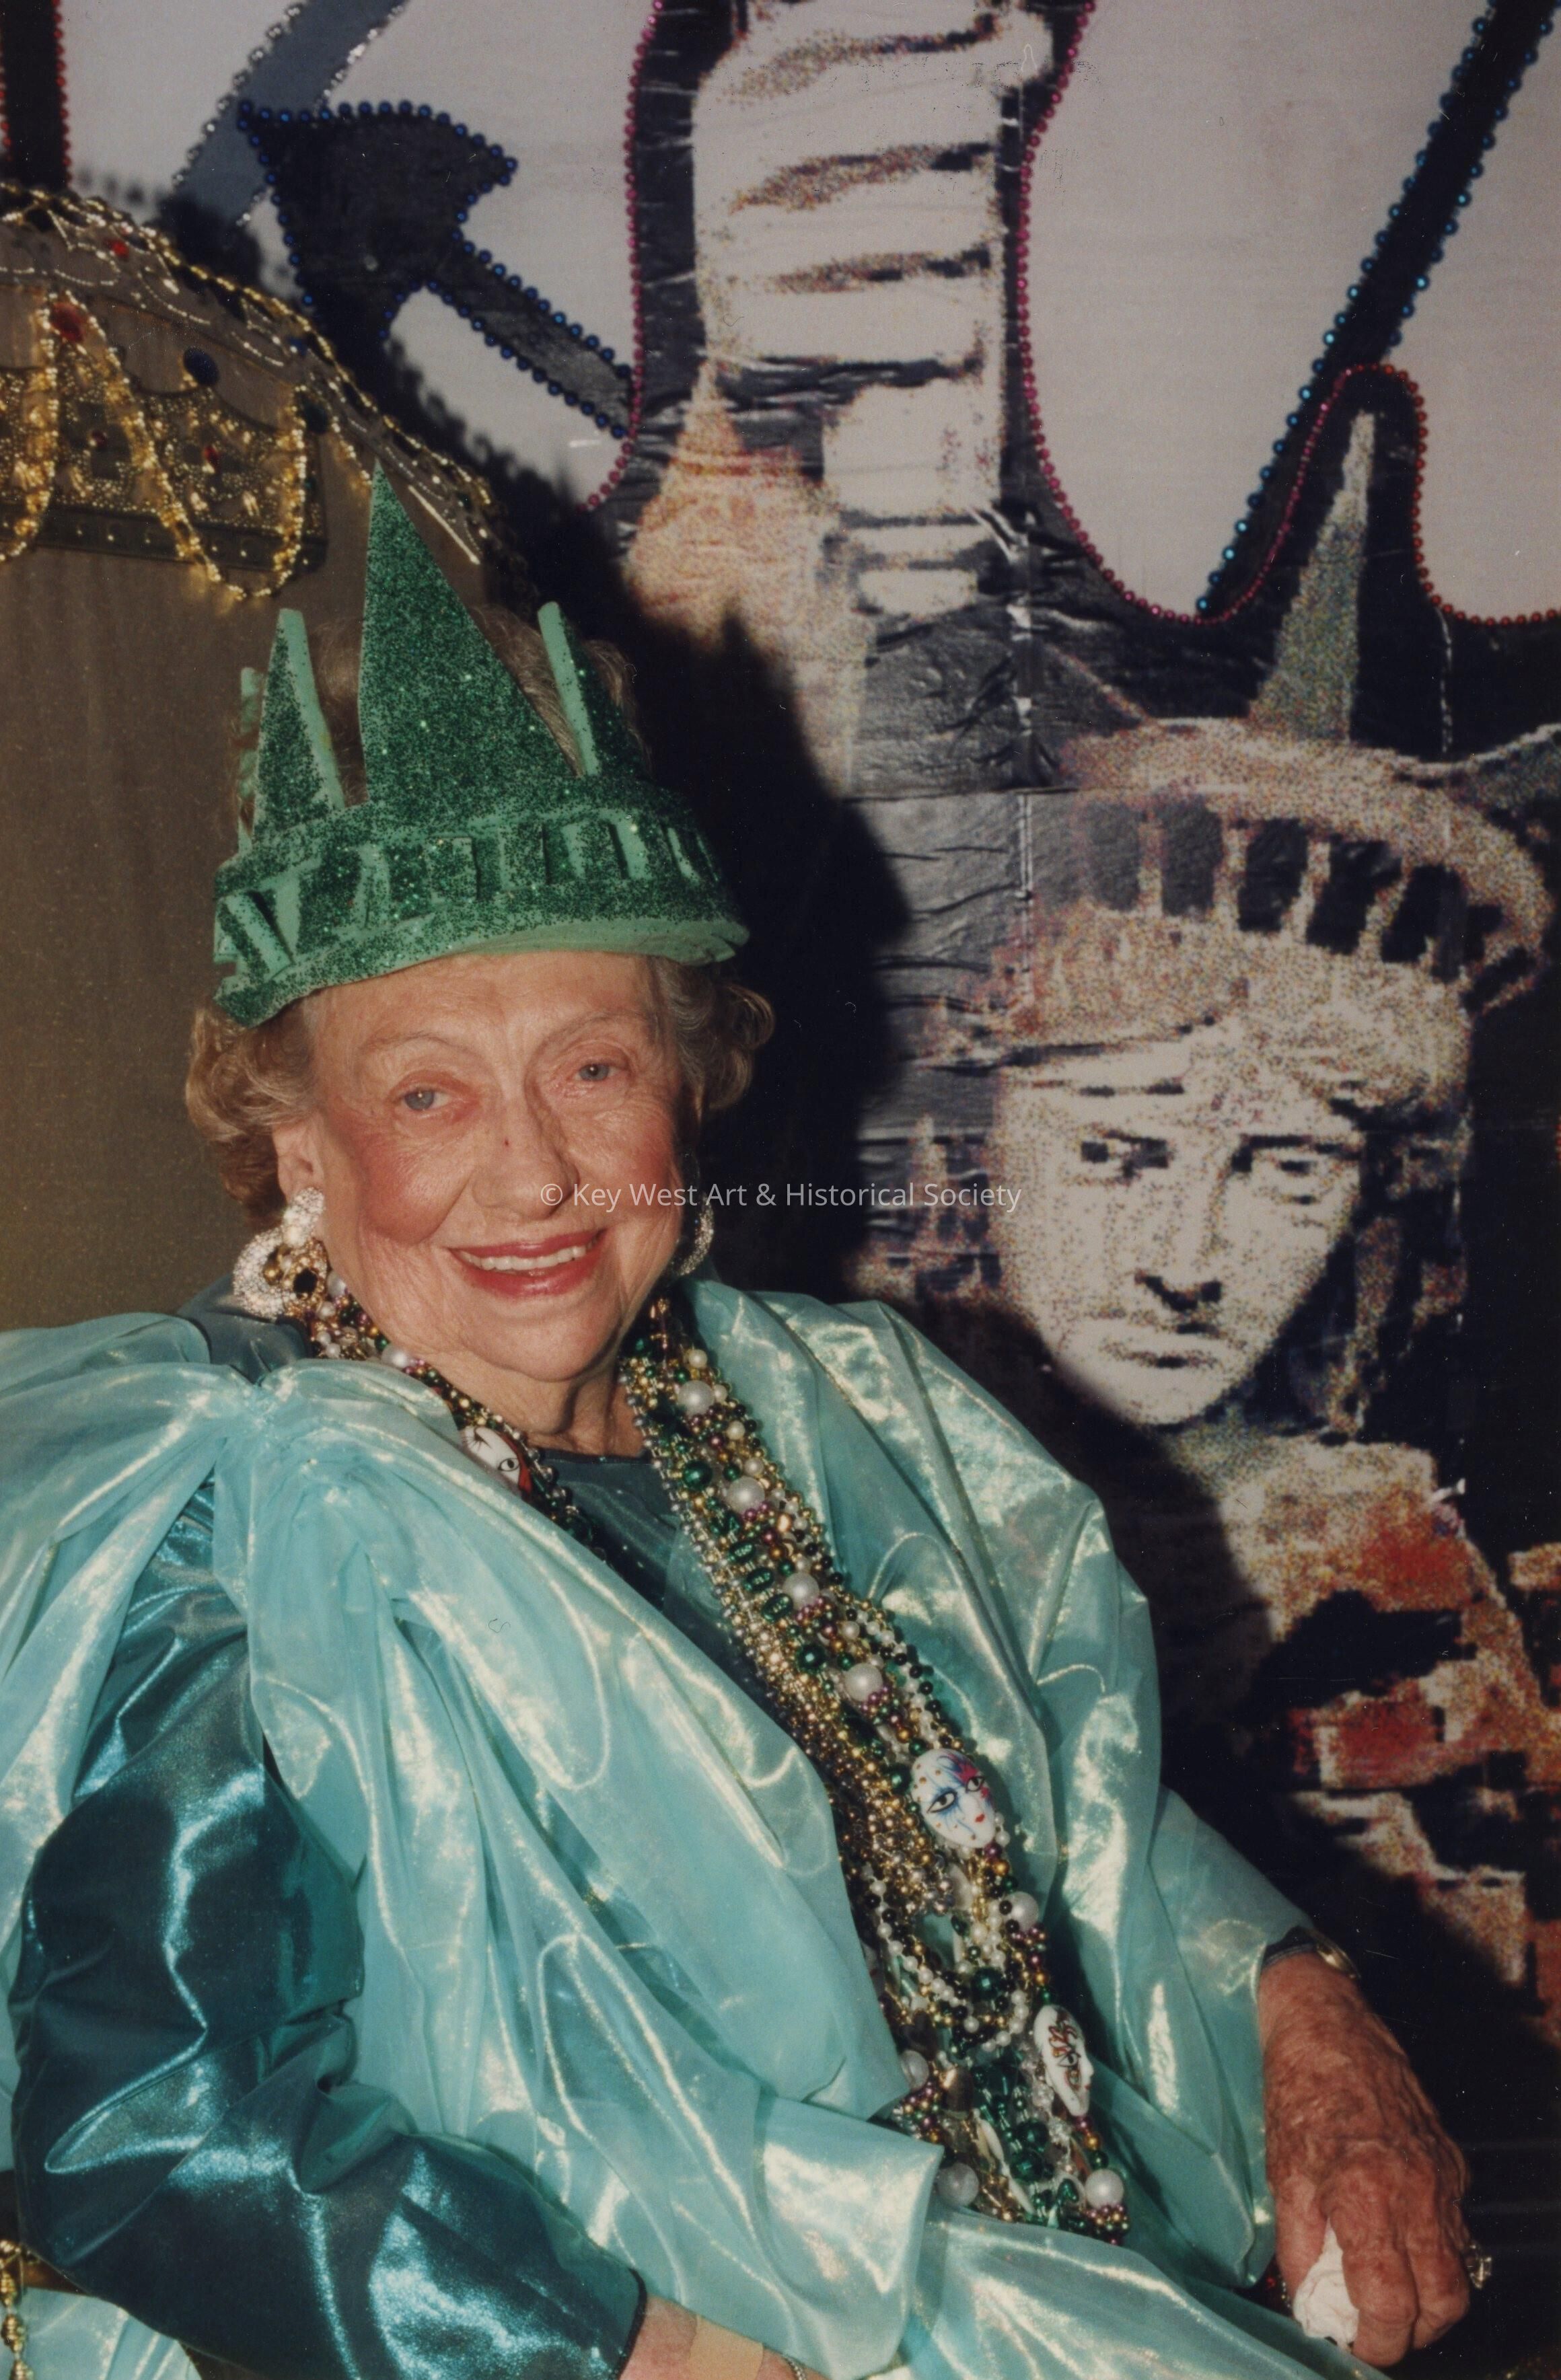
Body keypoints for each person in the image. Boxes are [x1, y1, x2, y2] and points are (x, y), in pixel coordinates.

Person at [0, 474, 1476, 2380]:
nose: (534, 1172)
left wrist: (1298, 2009)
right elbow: (144, 2122)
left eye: (592, 1067)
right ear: (299, 1139)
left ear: (686, 1084)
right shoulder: (246, 1506)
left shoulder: (845, 1409)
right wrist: (638, 2351)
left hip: (1024, 2286)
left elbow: (1071, 1810)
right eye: (429, 1093)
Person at [896, 713, 1561, 2028]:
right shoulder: (844, 1467)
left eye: (1288, 1169)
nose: (1186, 1260)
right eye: (1118, 1154)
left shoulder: (1390, 1581)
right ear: (974, 1142)